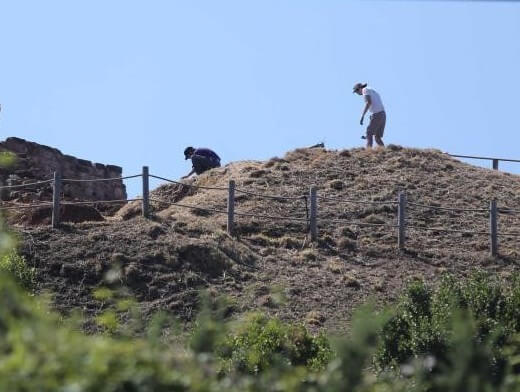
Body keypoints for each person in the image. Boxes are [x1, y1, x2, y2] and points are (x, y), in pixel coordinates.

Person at [353, 82, 386, 148]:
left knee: (369, 133)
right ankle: (384, 151)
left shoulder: (365, 90)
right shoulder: (371, 89)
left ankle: (368, 151)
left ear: (359, 88)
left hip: (377, 114)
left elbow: (368, 102)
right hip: (383, 114)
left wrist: (362, 116)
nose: (357, 93)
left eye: (356, 91)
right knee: (377, 137)